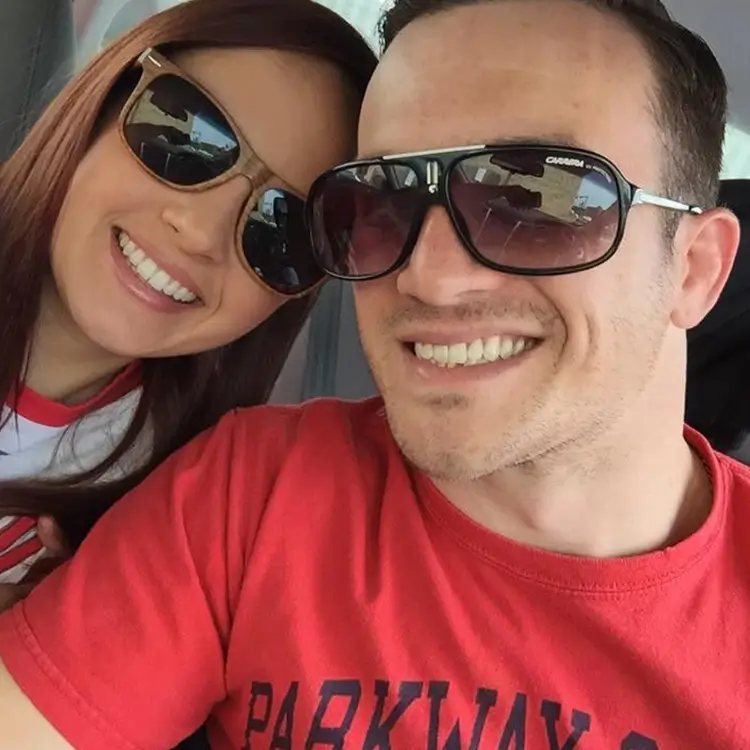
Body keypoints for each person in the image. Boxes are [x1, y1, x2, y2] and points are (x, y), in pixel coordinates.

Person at [0, 0, 747, 747]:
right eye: (381, 203)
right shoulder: (248, 496)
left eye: (538, 197)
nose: (430, 279)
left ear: (695, 268)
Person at [0, 0, 376, 596]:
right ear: (102, 100)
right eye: (186, 136)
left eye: (283, 229)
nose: (202, 235)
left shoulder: (177, 513)